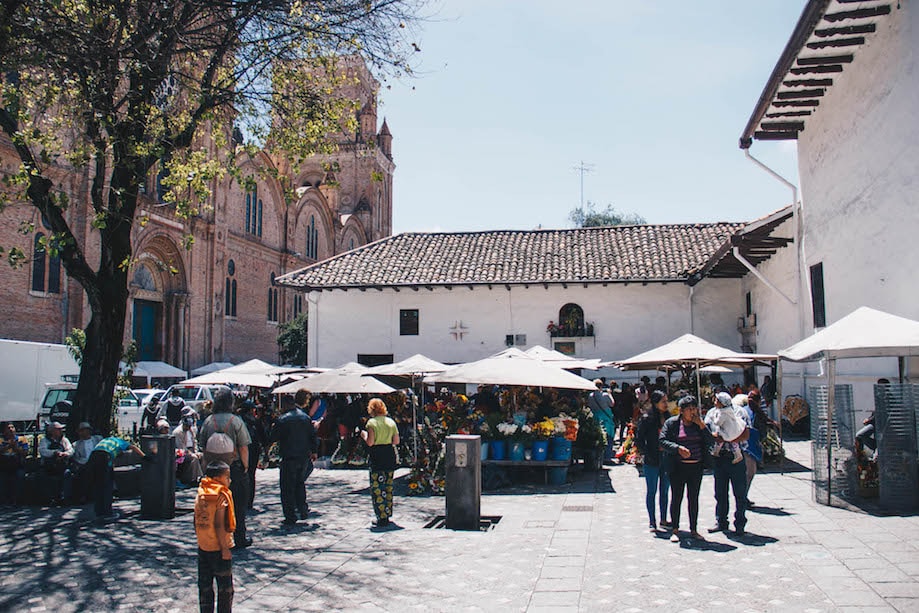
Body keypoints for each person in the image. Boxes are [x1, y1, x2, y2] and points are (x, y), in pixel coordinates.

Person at [199, 386, 252, 549]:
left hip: (213, 469)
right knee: (238, 504)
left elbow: (203, 446)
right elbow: (243, 446)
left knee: (215, 505)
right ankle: (240, 537)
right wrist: (245, 465)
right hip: (232, 468)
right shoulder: (236, 421)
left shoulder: (208, 421)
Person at [659, 395, 713, 542]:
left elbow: (710, 441)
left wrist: (702, 426)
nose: (693, 412)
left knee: (693, 498)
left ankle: (693, 529)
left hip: (696, 466)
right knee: (677, 497)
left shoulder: (698, 424)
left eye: (695, 408)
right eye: (690, 409)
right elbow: (663, 440)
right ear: (681, 411)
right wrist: (677, 448)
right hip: (678, 467)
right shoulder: (672, 423)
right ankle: (675, 529)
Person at [705, 392, 750, 535]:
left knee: (740, 492)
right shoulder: (712, 413)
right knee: (720, 492)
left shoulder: (739, 412)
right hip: (720, 457)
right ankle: (721, 521)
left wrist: (728, 438)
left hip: (736, 458)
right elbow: (707, 432)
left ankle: (740, 523)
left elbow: (746, 433)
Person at [194, 461, 235, 613]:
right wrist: (225, 548)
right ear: (218, 478)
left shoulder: (201, 493)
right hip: (219, 548)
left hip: (203, 546)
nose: (229, 481)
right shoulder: (220, 496)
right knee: (225, 588)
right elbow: (219, 524)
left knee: (205, 587)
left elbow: (196, 519)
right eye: (227, 477)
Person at [270, 395, 317, 526]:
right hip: (303, 456)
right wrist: (314, 451)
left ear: (285, 405)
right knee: (299, 483)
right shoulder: (305, 417)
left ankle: (290, 515)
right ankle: (302, 509)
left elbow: (273, 437)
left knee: (287, 487)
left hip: (288, 456)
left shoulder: (283, 420)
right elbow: (312, 435)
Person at [634, 390, 672, 532]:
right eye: (663, 401)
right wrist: (645, 452)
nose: (666, 404)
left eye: (666, 401)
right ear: (656, 403)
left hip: (666, 458)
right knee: (652, 490)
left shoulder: (669, 418)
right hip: (652, 458)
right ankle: (652, 521)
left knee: (665, 490)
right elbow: (639, 438)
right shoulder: (647, 418)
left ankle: (663, 519)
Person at [361, 397, 400, 529]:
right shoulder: (391, 422)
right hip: (389, 454)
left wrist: (364, 435)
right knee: (388, 486)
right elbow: (396, 441)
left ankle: (381, 516)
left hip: (377, 455)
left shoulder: (371, 423)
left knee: (377, 487)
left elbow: (370, 442)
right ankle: (388, 513)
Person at [87, 435, 145, 521]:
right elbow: (133, 447)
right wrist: (144, 456)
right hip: (104, 456)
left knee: (98, 485)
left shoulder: (106, 440)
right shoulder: (121, 442)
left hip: (93, 456)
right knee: (107, 486)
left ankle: (98, 511)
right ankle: (107, 513)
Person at [238, 401, 267, 511]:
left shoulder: (237, 421)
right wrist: (265, 453)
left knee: (240, 475)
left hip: (240, 450)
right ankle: (249, 501)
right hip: (253, 450)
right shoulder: (255, 422)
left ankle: (240, 500)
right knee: (251, 475)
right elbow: (264, 438)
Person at [38, 421, 74, 504]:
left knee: (67, 474)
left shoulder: (64, 440)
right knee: (41, 475)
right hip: (48, 466)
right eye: (58, 429)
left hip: (62, 466)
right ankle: (49, 499)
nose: (61, 431)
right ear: (52, 431)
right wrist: (54, 452)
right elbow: (43, 451)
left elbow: (71, 450)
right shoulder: (45, 441)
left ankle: (65, 498)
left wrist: (65, 454)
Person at [70, 422, 102, 504]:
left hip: (98, 462)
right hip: (84, 464)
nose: (82, 433)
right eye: (81, 431)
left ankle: (110, 492)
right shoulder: (76, 444)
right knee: (85, 471)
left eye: (85, 430)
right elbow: (77, 458)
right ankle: (85, 495)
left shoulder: (98, 439)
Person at [0, 422, 30, 505]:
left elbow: (25, 453)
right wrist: (9, 446)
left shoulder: (22, 439)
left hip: (17, 465)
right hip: (3, 466)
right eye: (8, 428)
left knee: (19, 477)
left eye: (12, 427)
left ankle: (16, 500)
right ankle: (4, 501)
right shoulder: (1, 440)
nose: (11, 429)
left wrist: (16, 448)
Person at [586, 379, 615, 462]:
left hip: (595, 418)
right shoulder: (605, 395)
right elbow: (612, 403)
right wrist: (610, 394)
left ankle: (598, 456)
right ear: (601, 386)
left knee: (598, 438)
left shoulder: (590, 396)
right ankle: (607, 456)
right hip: (606, 419)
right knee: (609, 437)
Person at [173, 408, 203, 487]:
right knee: (194, 458)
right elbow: (181, 446)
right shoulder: (178, 432)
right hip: (181, 452)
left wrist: (196, 451)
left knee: (202, 456)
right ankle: (194, 478)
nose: (188, 428)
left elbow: (195, 442)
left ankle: (201, 477)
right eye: (187, 426)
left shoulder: (191, 430)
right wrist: (192, 453)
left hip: (191, 450)